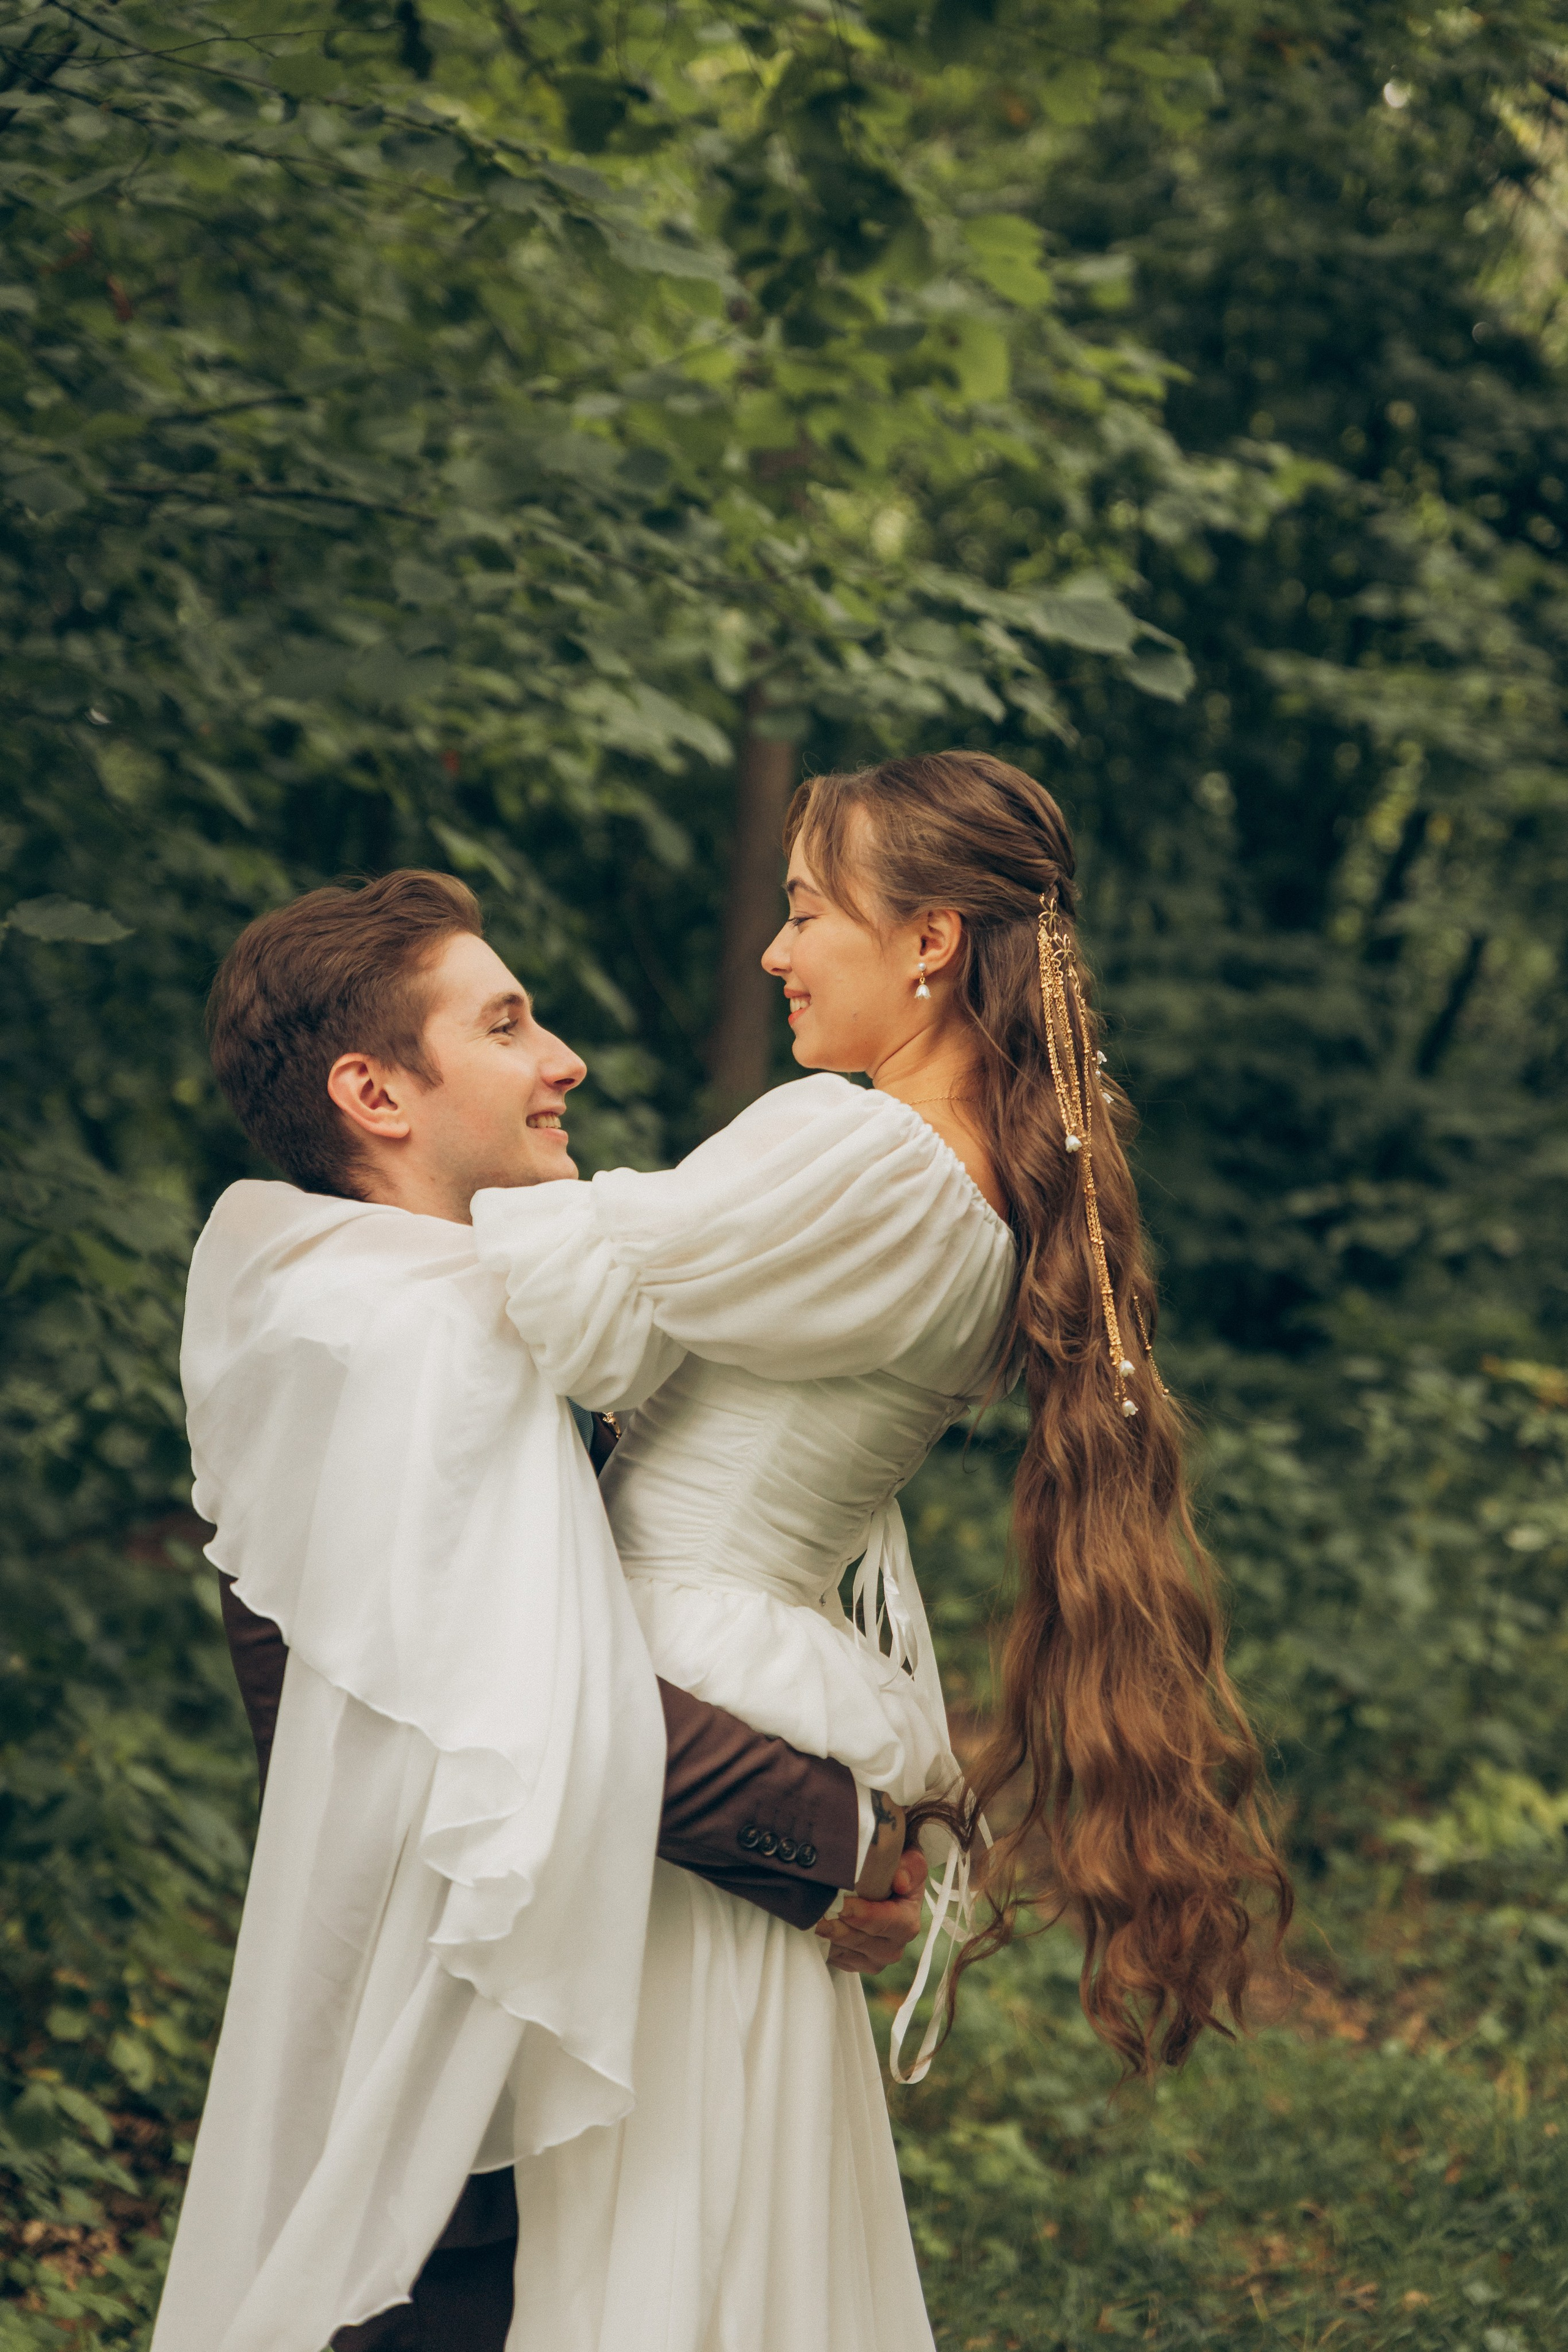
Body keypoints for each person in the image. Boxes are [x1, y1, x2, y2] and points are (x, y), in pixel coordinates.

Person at [462, 750, 1291, 2352]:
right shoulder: (972, 1190)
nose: (777, 952)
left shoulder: (860, 1154)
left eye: (804, 911)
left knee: (658, 2203)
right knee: (701, 2185)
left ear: (928, 941)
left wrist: (371, 1199)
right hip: (750, 1676)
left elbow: (557, 1295)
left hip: (682, 1675)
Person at [151, 873, 925, 2352]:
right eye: (505, 1024)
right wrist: (841, 1839)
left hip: (501, 1966)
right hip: (449, 2006)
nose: (561, 1058)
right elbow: (528, 1704)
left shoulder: (387, 1306)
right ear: (375, 1091)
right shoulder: (390, 1344)